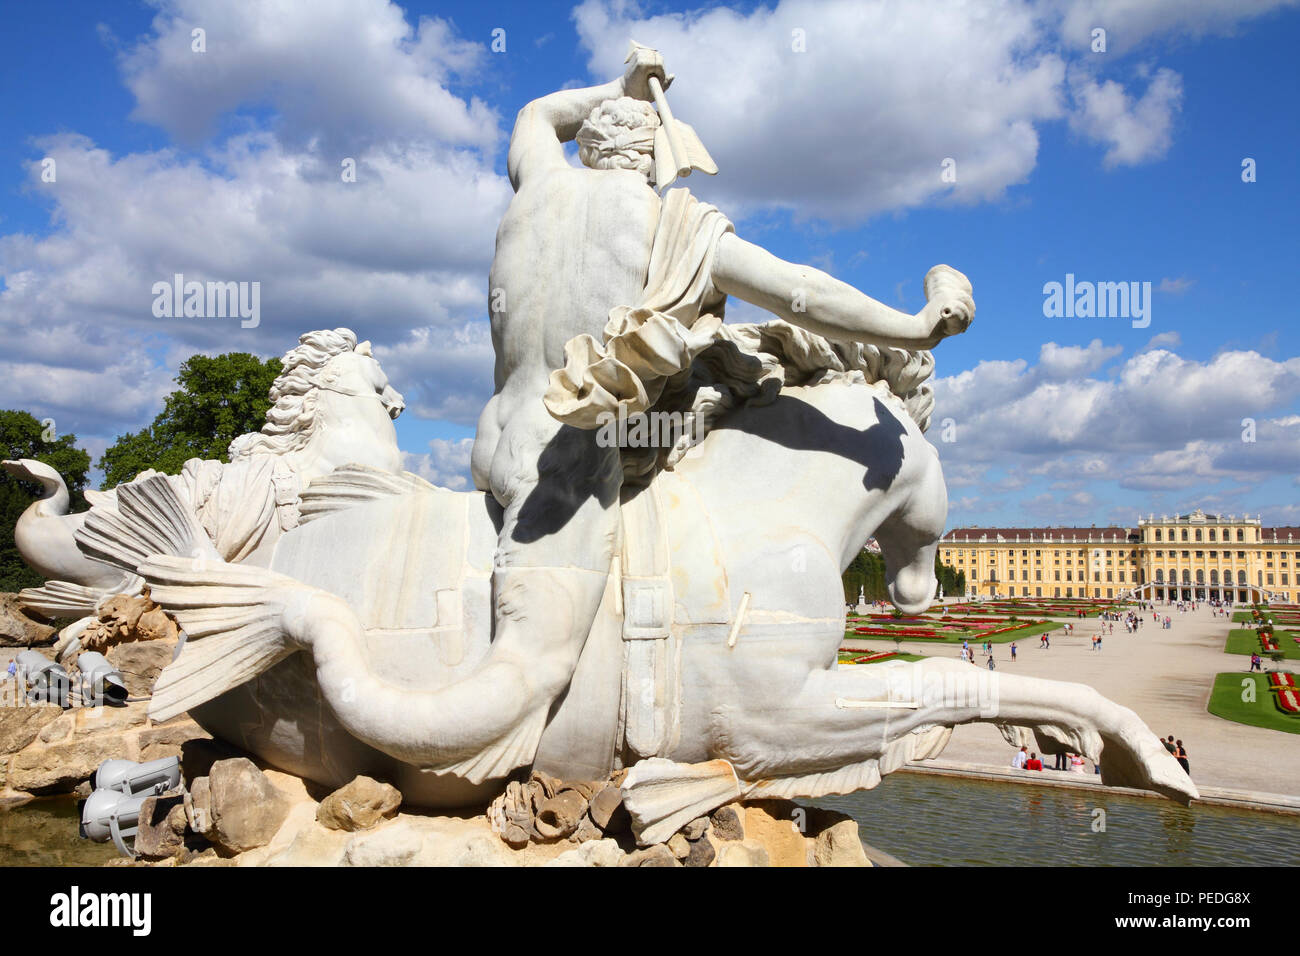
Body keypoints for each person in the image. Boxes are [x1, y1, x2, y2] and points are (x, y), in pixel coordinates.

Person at [464, 46, 975, 767]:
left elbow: (535, 113)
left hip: (494, 444)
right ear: (649, 156)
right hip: (581, 463)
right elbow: (804, 295)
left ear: (589, 144)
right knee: (745, 372)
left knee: (713, 357)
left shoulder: (537, 186)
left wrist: (618, 84)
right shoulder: (675, 227)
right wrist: (914, 329)